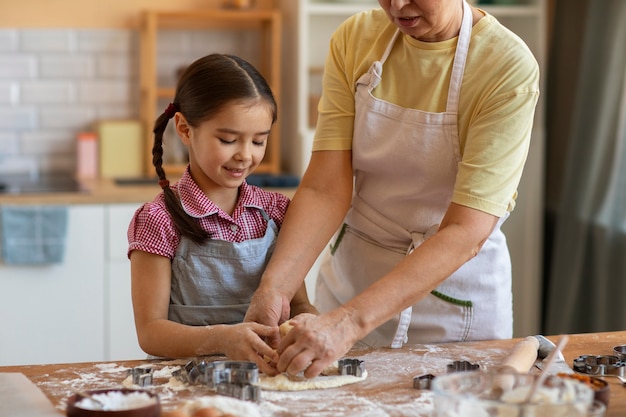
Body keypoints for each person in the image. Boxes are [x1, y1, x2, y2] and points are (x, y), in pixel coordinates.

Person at [245, 0, 540, 378]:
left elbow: (464, 231)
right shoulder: (355, 38)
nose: (397, 5)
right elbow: (324, 188)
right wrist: (275, 289)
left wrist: (349, 323)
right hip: (352, 284)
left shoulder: (506, 66)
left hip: (454, 303)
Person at [127, 54, 316, 375]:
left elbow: (297, 304)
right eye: (228, 140)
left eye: (259, 141)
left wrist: (307, 320)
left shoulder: (276, 212)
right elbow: (151, 332)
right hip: (185, 383)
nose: (245, 154)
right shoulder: (158, 220)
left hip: (266, 381)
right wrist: (223, 338)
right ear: (185, 129)